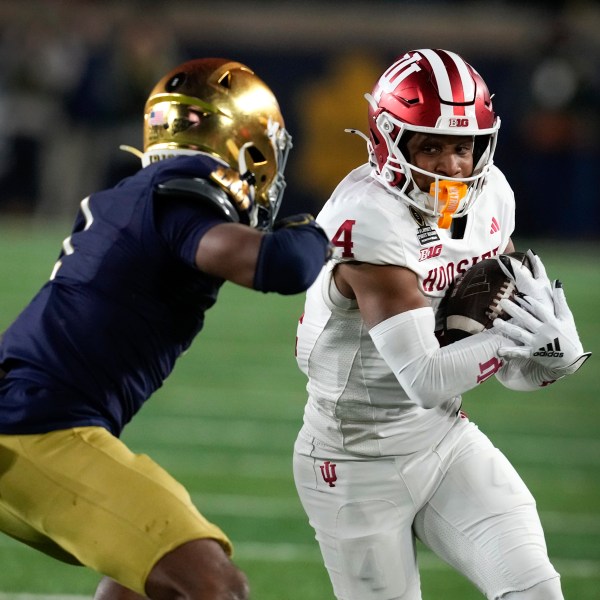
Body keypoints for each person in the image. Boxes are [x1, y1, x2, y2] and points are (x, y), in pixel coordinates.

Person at [0, 58, 331, 600]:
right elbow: (280, 266)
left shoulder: (140, 189)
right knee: (215, 587)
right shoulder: (183, 189)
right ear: (245, 147)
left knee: (146, 581)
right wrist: (328, 229)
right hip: (40, 430)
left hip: (29, 422)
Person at [293, 48, 590, 600]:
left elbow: (502, 368)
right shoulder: (371, 219)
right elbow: (425, 379)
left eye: (463, 146)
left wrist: (548, 360)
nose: (453, 165)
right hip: (353, 460)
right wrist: (511, 340)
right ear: (391, 141)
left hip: (442, 440)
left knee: (537, 592)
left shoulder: (492, 195)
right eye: (431, 145)